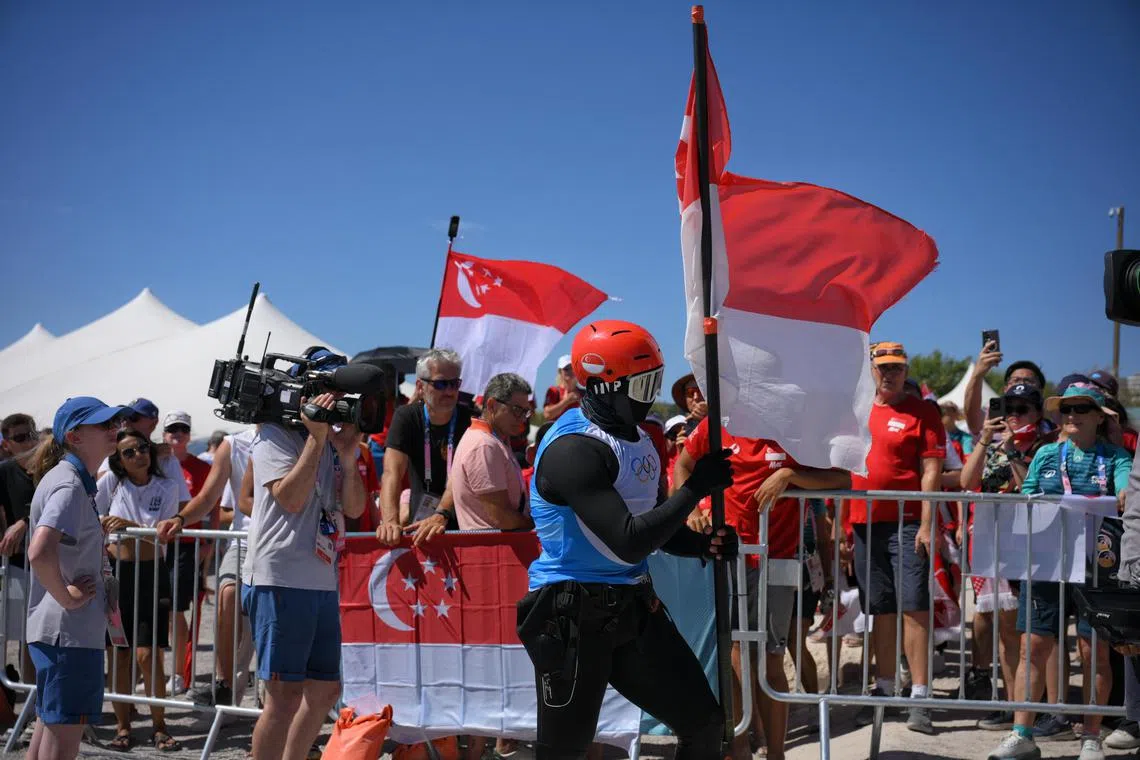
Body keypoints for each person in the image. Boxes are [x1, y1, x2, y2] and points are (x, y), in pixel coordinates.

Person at [519, 319, 738, 760]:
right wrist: (695, 488)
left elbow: (655, 526)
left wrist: (701, 544)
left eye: (654, 382)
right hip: (571, 612)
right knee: (566, 750)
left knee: (704, 722)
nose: (650, 397)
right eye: (642, 386)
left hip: (630, 604)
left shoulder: (640, 439)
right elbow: (629, 540)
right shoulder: (573, 451)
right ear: (604, 388)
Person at [674, 418, 849, 760]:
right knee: (735, 653)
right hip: (728, 557)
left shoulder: (793, 425)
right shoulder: (718, 421)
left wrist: (791, 475)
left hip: (778, 557)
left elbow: (841, 478)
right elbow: (683, 463)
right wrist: (691, 508)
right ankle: (740, 745)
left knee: (772, 658)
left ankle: (776, 753)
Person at [987, 382, 1132, 760]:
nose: (1071, 416)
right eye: (1065, 409)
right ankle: (1022, 734)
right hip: (1046, 560)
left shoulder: (1117, 457)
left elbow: (1123, 495)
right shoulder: (1047, 453)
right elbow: (1028, 494)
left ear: (1100, 417)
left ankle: (1090, 737)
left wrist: (1121, 494)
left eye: (1081, 409)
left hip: (1095, 566)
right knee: (1032, 646)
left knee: (1093, 652)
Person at [240, 361, 367, 760]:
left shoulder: (331, 440)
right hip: (280, 576)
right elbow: (291, 500)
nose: (337, 401)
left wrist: (346, 457)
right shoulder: (273, 435)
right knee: (282, 696)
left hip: (319, 578)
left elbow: (355, 508)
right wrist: (315, 440)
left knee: (325, 689)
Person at [848, 342, 945, 734]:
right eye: (883, 367)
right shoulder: (856, 408)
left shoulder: (923, 411)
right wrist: (840, 530)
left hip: (906, 522)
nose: (890, 374)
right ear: (871, 369)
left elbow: (932, 470)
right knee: (880, 610)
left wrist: (927, 523)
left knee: (914, 607)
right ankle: (885, 689)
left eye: (897, 368)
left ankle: (920, 696)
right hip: (863, 523)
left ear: (906, 370)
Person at [25, 397, 125, 760]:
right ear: (74, 436)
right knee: (61, 741)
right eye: (103, 425)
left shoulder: (71, 481)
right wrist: (67, 597)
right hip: (68, 632)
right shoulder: (69, 485)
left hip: (62, 632)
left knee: (48, 732)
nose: (114, 430)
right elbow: (39, 551)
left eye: (114, 422)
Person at [448, 373, 536, 759]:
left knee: (495, 661)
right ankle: (486, 747)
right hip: (492, 564)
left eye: (527, 409)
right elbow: (499, 512)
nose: (524, 417)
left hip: (495, 562)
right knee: (493, 661)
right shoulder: (483, 445)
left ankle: (495, 742)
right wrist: (535, 522)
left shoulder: (489, 441)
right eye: (518, 409)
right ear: (494, 405)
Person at [961, 382, 1055, 730]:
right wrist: (986, 438)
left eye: (1022, 410)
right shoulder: (992, 443)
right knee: (1005, 635)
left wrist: (1015, 452)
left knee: (1028, 635)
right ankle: (1013, 706)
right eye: (1007, 409)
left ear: (1037, 413)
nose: (1013, 417)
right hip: (996, 546)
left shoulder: (1047, 446)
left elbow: (1033, 488)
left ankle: (1030, 712)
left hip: (1033, 548)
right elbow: (968, 482)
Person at [157, 427, 257, 708]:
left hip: (288, 544)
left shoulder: (306, 434)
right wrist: (179, 519)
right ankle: (224, 683)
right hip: (246, 541)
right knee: (227, 593)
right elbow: (207, 498)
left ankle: (270, 700)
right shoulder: (233, 444)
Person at [96, 430, 183, 752]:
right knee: (119, 654)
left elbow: (164, 534)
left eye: (142, 448)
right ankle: (122, 727)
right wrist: (108, 521)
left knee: (148, 656)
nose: (138, 455)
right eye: (129, 452)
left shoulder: (168, 487)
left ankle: (159, 726)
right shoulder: (110, 484)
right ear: (118, 460)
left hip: (151, 574)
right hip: (118, 575)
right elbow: (93, 518)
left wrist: (127, 526)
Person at [376, 349, 472, 546]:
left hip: (462, 528)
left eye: (455, 383)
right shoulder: (406, 416)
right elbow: (391, 472)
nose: (450, 391)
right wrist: (390, 522)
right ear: (420, 386)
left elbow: (462, 474)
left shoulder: (469, 420)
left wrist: (441, 513)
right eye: (441, 384)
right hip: (419, 527)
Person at [162, 410, 214, 695]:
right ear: (164, 434)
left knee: (178, 610)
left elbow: (212, 506)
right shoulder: (158, 464)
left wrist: (209, 539)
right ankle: (167, 670)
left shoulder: (201, 467)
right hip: (159, 545)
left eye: (182, 429)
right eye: (172, 430)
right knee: (163, 611)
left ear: (189, 435)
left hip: (187, 545)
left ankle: (180, 672)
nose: (177, 434)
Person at [0, 413, 41, 707]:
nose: (28, 441)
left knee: (47, 640)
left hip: (57, 563)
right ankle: (30, 705)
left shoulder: (51, 466)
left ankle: (43, 707)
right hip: (19, 566)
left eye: (31, 434)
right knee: (26, 639)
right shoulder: (4, 471)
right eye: (20, 437)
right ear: (6, 444)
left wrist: (24, 521)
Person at [542, 355, 581, 423]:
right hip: (559, 432)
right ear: (560, 371)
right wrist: (566, 401)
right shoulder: (554, 391)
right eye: (566, 369)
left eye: (573, 368)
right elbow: (547, 414)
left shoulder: (584, 393)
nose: (570, 371)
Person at [670, 373, 708, 440]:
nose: (696, 397)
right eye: (690, 392)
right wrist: (683, 448)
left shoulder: (726, 422)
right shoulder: (684, 428)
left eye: (701, 391)